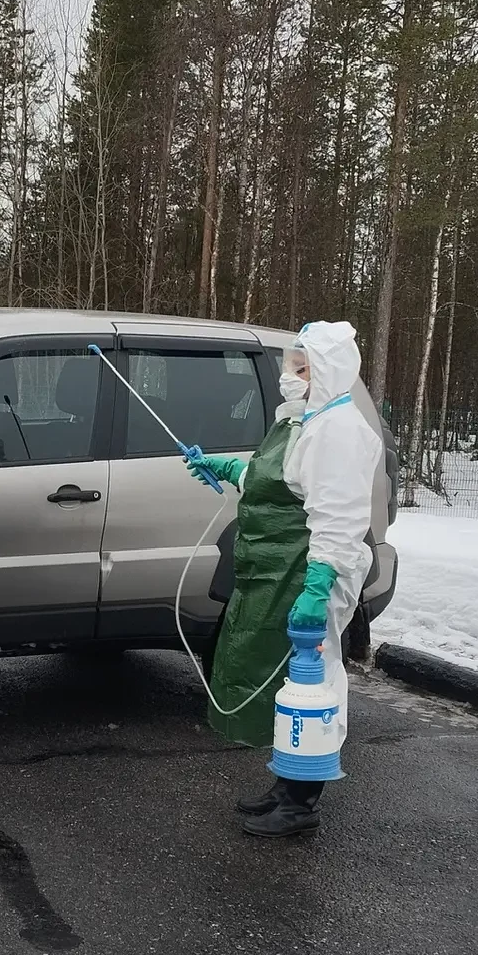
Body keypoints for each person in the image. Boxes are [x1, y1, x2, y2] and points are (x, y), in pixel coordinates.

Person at [187, 320, 383, 838]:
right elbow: (278, 480)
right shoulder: (304, 421)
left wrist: (317, 590)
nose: (290, 377)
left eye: (303, 368)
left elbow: (338, 522)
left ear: (329, 370)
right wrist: (226, 469)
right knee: (282, 682)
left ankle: (302, 799)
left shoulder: (339, 431)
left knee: (311, 683)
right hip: (274, 569)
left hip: (306, 571)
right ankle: (285, 782)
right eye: (290, 367)